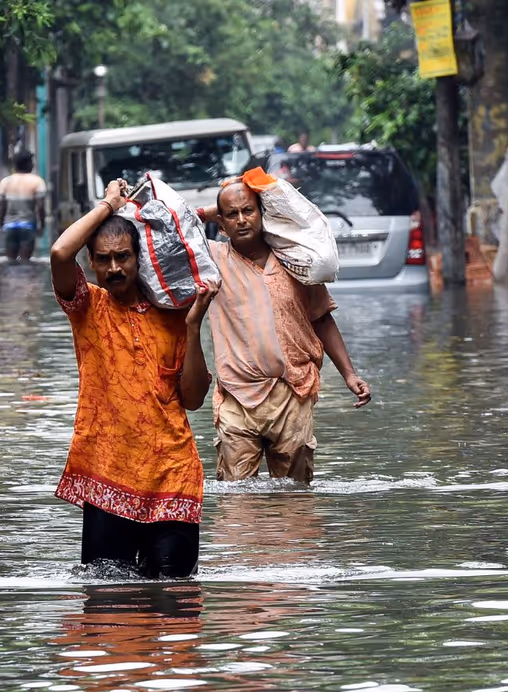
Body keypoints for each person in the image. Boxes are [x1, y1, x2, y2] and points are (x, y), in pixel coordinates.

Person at [50, 178, 219, 579]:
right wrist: (109, 205)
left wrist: (194, 327)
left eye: (123, 257)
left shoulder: (175, 314)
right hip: (108, 474)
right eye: (104, 259)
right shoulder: (88, 307)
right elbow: (59, 252)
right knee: (110, 609)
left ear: (138, 257)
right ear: (90, 262)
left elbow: (192, 399)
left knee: (177, 606)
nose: (114, 268)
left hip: (172, 474)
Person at [196, 179, 370, 484]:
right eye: (232, 214)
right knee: (237, 502)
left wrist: (349, 374)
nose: (241, 220)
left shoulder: (296, 261)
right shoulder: (212, 261)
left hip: (293, 391)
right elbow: (170, 230)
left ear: (263, 214)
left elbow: (322, 319)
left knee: (295, 498)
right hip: (237, 396)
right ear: (222, 225)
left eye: (248, 210)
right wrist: (210, 212)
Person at [0, 150, 47, 263]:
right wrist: (42, 225)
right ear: (28, 164)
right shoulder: (37, 182)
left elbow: (2, 207)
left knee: (10, 262)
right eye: (32, 162)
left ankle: (11, 280)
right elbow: (40, 207)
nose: (33, 165)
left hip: (9, 226)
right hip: (27, 226)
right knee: (25, 262)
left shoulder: (5, 182)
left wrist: (1, 224)